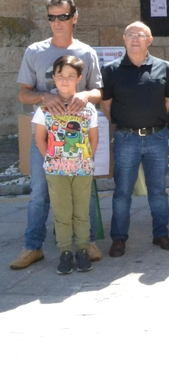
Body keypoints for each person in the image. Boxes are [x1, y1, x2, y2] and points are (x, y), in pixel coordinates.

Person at [11, 0, 103, 271]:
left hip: (77, 141)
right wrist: (44, 96)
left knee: (83, 193)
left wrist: (85, 95)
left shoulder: (86, 52)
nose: (57, 22)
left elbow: (98, 91)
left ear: (74, 18)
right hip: (47, 137)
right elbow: (23, 94)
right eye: (52, 17)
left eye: (63, 16)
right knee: (40, 192)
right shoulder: (34, 51)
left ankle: (85, 243)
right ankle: (33, 246)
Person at [101, 22, 169, 257]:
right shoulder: (111, 70)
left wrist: (151, 119)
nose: (136, 38)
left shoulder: (163, 67)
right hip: (126, 138)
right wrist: (125, 122)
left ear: (150, 40)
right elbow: (106, 105)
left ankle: (161, 234)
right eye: (131, 35)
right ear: (124, 39)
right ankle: (119, 239)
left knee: (158, 190)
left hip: (156, 137)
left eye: (141, 35)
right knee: (122, 191)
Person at [32, 56, 99, 275]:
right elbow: (39, 138)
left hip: (81, 169)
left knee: (81, 211)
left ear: (79, 79)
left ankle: (82, 249)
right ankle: (65, 252)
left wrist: (86, 159)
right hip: (56, 170)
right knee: (62, 212)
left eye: (71, 76)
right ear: (53, 78)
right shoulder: (45, 109)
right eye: (60, 76)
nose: (65, 81)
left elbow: (93, 137)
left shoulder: (88, 109)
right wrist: (51, 159)